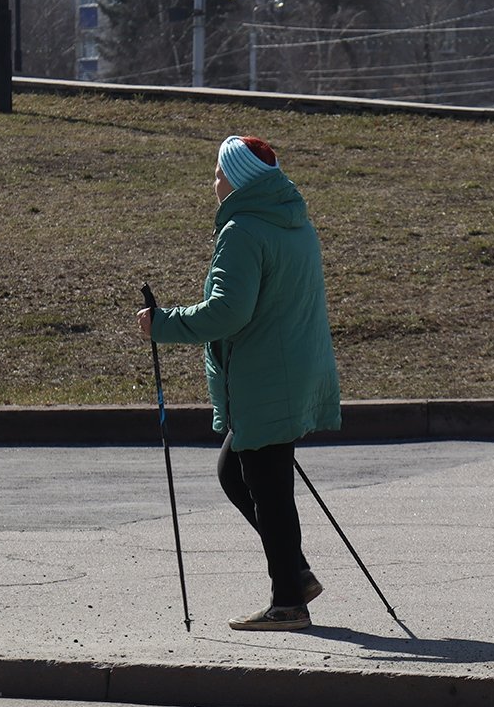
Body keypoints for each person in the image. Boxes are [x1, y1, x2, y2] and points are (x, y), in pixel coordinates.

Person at [136, 135, 341, 631]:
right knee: (239, 472)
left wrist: (162, 323)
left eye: (219, 173)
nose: (215, 182)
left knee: (268, 487)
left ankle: (289, 602)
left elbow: (228, 311)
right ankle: (294, 574)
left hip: (266, 376)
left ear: (239, 178)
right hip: (293, 370)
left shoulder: (243, 230)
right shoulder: (293, 222)